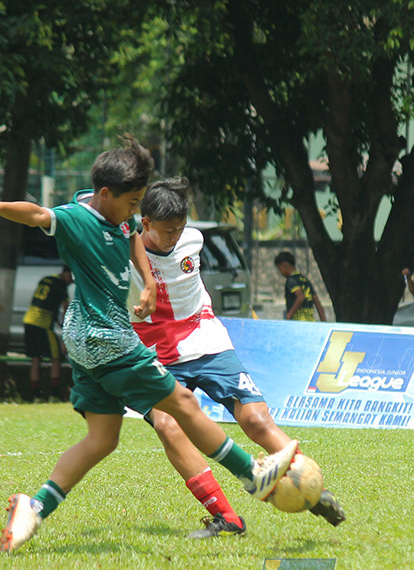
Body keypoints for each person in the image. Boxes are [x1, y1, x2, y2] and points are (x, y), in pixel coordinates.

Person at [0, 136, 298, 553]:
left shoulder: (121, 212)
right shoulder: (78, 219)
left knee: (102, 439)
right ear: (105, 194)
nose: (138, 213)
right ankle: (252, 476)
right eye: (133, 203)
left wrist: (150, 281)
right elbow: (38, 214)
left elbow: (133, 231)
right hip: (107, 338)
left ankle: (34, 508)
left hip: (82, 341)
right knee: (183, 406)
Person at [131, 177, 346, 537]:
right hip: (156, 352)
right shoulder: (124, 249)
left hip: (206, 339)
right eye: (167, 230)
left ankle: (312, 486)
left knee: (257, 420)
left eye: (180, 228)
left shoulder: (194, 240)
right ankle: (225, 516)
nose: (175, 236)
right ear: (145, 223)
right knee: (169, 427)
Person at [23, 266, 73, 401]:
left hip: (29, 319)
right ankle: (54, 395)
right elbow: (66, 308)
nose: (71, 281)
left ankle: (36, 396)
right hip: (42, 323)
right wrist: (66, 329)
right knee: (56, 358)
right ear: (66, 273)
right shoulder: (61, 285)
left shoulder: (46, 279)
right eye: (71, 277)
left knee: (35, 358)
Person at [274, 251, 327, 321]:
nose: (280, 272)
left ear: (285, 265)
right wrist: (324, 322)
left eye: (279, 269)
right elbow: (317, 302)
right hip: (310, 321)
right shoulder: (306, 281)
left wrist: (289, 315)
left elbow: (301, 297)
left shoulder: (291, 281)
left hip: (298, 321)